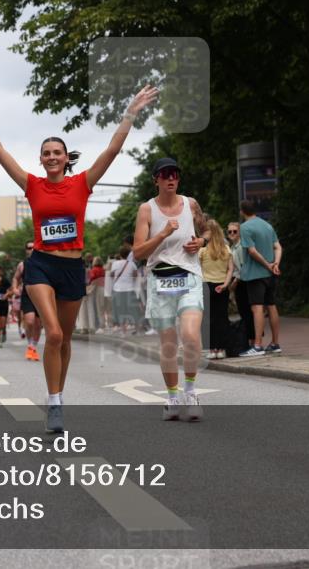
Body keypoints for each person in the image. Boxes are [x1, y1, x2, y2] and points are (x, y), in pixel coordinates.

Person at [0, 83, 157, 433]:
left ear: (66, 157)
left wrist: (130, 112)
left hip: (72, 268)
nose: (51, 156)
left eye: (56, 152)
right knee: (55, 334)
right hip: (42, 265)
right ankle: (55, 401)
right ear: (40, 159)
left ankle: (58, 392)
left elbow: (112, 149)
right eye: (45, 152)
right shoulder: (32, 185)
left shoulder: (83, 183)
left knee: (66, 337)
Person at [132, 157, 212, 421]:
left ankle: (190, 391)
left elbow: (208, 231)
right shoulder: (147, 210)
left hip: (188, 276)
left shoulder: (190, 204)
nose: (170, 179)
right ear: (155, 179)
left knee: (190, 335)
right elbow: (139, 251)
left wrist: (200, 242)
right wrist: (163, 234)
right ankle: (172, 398)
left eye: (174, 174)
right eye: (165, 174)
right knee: (168, 344)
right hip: (159, 279)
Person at [237, 200, 283, 356]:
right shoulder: (267, 226)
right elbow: (278, 246)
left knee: (257, 308)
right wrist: (275, 263)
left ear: (242, 211)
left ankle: (257, 345)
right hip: (271, 275)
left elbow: (251, 251)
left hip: (255, 274)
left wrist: (266, 265)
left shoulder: (244, 227)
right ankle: (275, 343)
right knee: (271, 306)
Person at [200, 219, 233, 360]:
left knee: (209, 320)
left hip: (206, 286)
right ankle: (222, 349)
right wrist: (226, 284)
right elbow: (231, 269)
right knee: (222, 318)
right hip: (222, 286)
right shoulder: (227, 249)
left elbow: (197, 269)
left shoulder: (202, 251)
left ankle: (212, 350)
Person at [226, 221, 254, 348]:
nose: (232, 233)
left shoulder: (241, 247)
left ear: (239, 233)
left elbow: (243, 267)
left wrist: (235, 282)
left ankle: (253, 341)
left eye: (235, 231)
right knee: (244, 312)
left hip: (245, 283)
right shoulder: (232, 248)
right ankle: (248, 340)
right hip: (239, 282)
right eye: (229, 231)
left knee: (248, 312)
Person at [13, 242, 42, 361]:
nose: (32, 249)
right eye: (29, 248)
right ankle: (30, 344)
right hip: (27, 294)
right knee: (29, 321)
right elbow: (16, 277)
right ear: (26, 250)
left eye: (34, 248)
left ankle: (34, 346)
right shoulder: (22, 265)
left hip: (41, 295)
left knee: (38, 324)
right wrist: (15, 288)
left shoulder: (43, 263)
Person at [110, 244, 141, 336]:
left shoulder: (115, 264)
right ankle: (137, 330)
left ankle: (123, 332)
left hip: (118, 290)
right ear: (129, 254)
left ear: (120, 254)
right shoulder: (132, 264)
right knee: (134, 310)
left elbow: (111, 275)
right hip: (130, 289)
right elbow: (135, 275)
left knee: (121, 310)